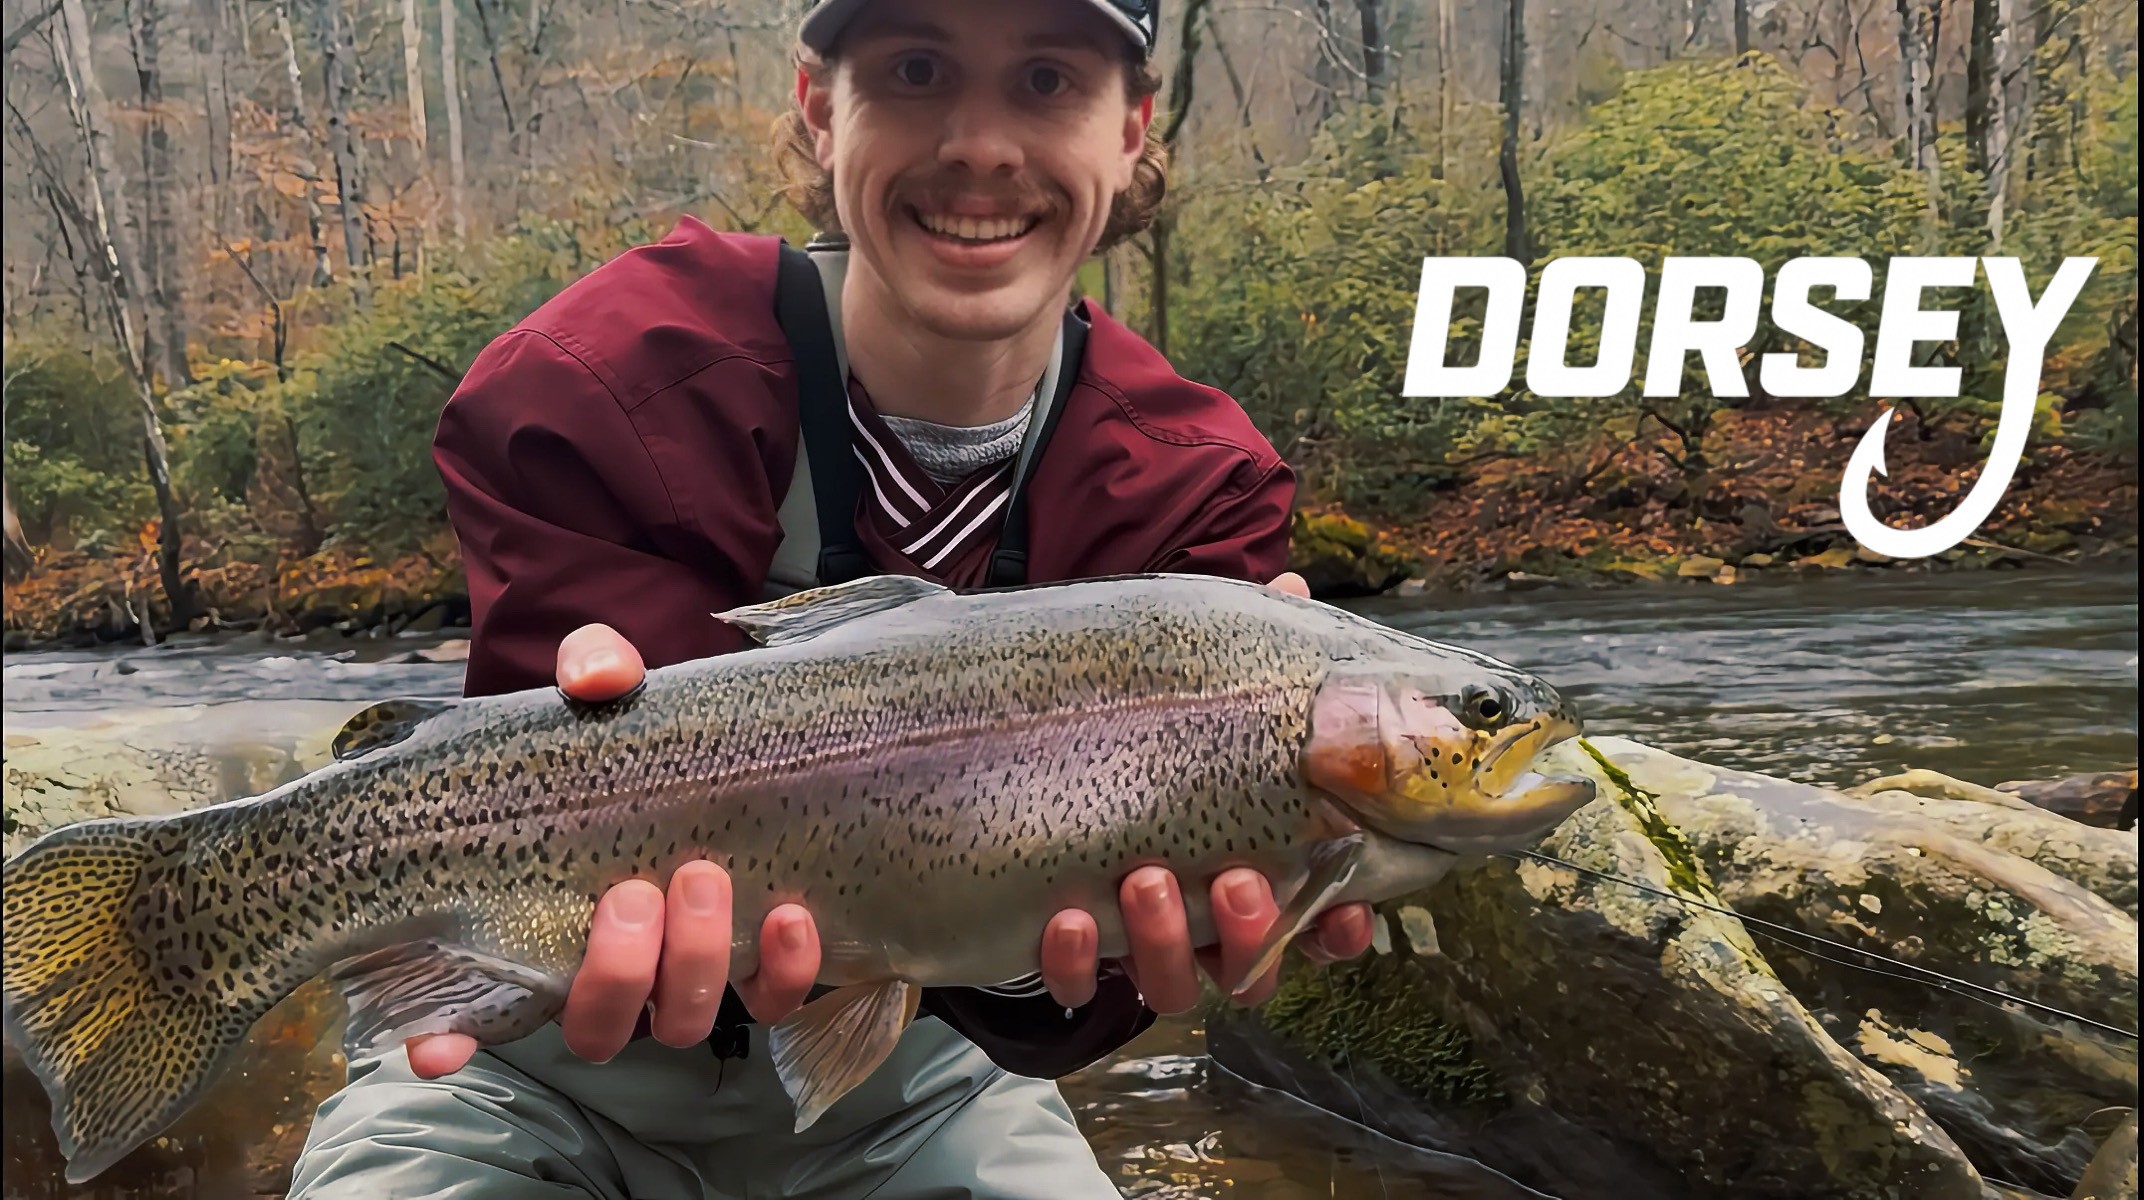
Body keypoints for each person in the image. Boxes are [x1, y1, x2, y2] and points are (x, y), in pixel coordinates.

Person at [287, 0, 1374, 1195]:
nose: (980, 145)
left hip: (924, 1085)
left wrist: (1029, 953)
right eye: (915, 70)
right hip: (533, 1064)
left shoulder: (1191, 489)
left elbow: (1071, 1006)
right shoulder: (606, 379)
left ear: (1131, 130)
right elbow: (517, 819)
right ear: (819, 111)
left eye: (1047, 81)